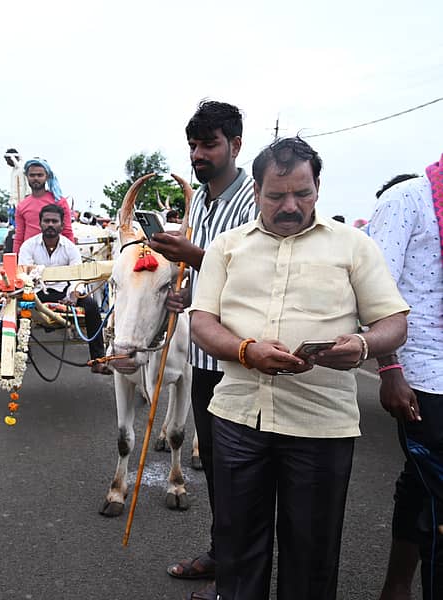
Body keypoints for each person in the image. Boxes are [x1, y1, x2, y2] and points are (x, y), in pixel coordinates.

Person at [189, 136, 409, 600]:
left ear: (318, 186)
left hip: (321, 425)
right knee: (237, 552)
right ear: (256, 191)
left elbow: (394, 322)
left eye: (302, 193)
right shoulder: (227, 248)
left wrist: (364, 345)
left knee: (311, 557)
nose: (290, 205)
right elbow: (202, 323)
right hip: (238, 417)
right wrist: (247, 351)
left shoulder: (355, 247)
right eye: (276, 196)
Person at [145, 100, 258, 600]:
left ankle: (235, 579)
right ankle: (221, 555)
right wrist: (185, 293)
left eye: (209, 144)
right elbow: (212, 281)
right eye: (193, 145)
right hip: (202, 357)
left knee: (243, 476)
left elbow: (259, 268)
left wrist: (194, 256)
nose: (198, 154)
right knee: (214, 464)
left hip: (241, 357)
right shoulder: (202, 204)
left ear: (236, 145)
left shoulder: (255, 198)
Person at [371, 163, 443, 600]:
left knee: (422, 488)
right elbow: (375, 291)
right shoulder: (407, 199)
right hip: (423, 376)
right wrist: (390, 369)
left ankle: (395, 588)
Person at [18, 204, 109, 374]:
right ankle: (7, 359)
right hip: (36, 294)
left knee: (90, 306)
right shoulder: (28, 246)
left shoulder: (70, 247)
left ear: (61, 225)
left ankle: (97, 359)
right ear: (40, 223)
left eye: (54, 221)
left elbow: (77, 276)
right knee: (10, 309)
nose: (50, 224)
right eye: (47, 221)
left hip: (64, 293)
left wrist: (73, 295)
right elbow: (25, 275)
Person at [13, 158, 74, 256]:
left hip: (57, 254)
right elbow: (19, 236)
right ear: (27, 177)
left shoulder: (59, 201)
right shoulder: (21, 206)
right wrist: (15, 259)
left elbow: (67, 231)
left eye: (40, 175)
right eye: (32, 175)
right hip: (30, 255)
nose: (36, 178)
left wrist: (71, 255)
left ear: (47, 177)